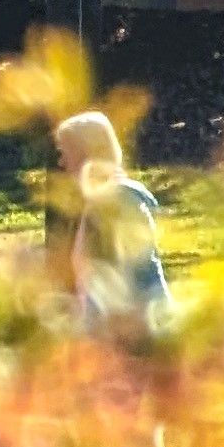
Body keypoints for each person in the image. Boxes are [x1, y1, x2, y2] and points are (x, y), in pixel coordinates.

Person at [53, 109, 167, 330]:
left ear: (87, 154)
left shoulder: (118, 200)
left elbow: (127, 276)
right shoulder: (100, 200)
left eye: (66, 152)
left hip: (135, 331)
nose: (62, 162)